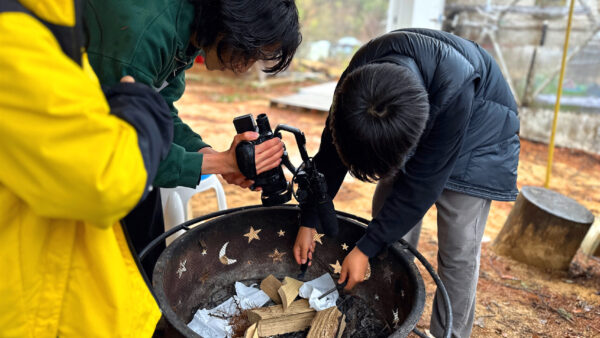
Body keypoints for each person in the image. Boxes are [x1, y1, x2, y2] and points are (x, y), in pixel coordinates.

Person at [293, 29, 520, 337]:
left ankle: (449, 334)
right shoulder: (359, 83)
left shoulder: (455, 87)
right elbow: (332, 150)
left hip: (480, 132)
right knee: (388, 215)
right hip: (418, 110)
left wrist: (365, 248)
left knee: (458, 248)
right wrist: (309, 219)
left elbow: (422, 186)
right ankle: (391, 313)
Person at [84, 0, 302, 274]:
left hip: (118, 163)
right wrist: (221, 164)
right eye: (248, 53)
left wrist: (211, 156)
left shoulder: (190, 30)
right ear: (234, 22)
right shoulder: (144, 37)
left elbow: (159, 113)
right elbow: (121, 150)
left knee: (145, 256)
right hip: (81, 171)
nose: (244, 68)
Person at [0, 0, 175, 335]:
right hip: (31, 311)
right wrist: (144, 114)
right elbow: (105, 177)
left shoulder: (50, 17)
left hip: (62, 282)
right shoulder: (11, 31)